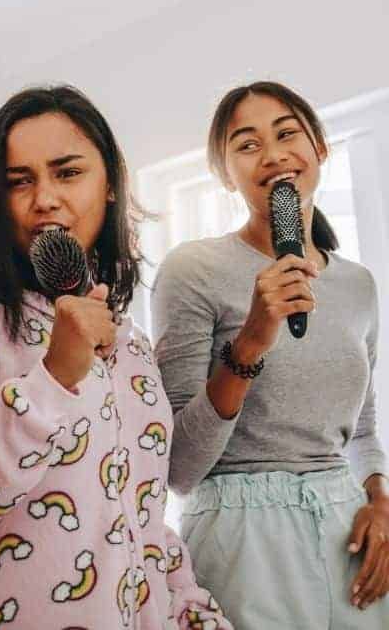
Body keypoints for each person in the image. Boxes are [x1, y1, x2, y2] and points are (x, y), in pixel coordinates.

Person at [0, 85, 233, 629]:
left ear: (109, 185)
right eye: (19, 181)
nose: (44, 198)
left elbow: (143, 519)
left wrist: (195, 613)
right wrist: (53, 377)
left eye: (67, 173)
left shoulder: (128, 339)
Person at [151, 81, 389, 628]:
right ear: (223, 173)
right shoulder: (193, 271)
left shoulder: (358, 285)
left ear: (320, 149)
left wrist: (378, 500)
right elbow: (179, 467)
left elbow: (365, 427)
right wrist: (252, 341)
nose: (274, 154)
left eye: (287, 134)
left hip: (346, 531)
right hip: (240, 541)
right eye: (247, 144)